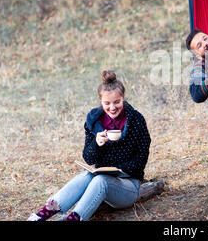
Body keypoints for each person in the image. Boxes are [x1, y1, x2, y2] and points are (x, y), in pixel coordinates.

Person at [27, 70, 151, 221]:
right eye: (107, 103)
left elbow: (141, 160)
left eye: (117, 102)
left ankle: (73, 219)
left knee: (101, 179)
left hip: (129, 186)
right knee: (87, 175)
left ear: (123, 98)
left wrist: (119, 170)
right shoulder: (94, 121)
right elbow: (88, 158)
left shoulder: (136, 120)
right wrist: (97, 144)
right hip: (97, 183)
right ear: (100, 101)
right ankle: (41, 215)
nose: (112, 107)